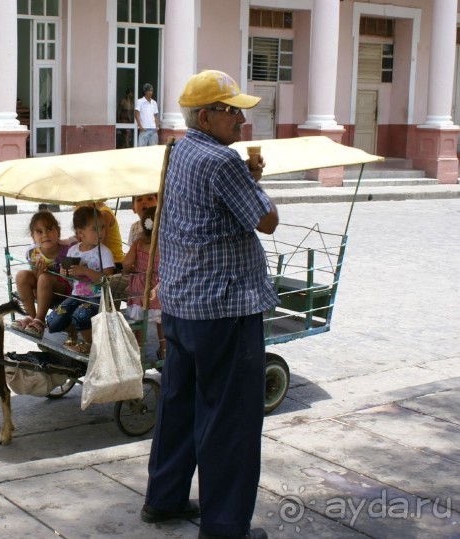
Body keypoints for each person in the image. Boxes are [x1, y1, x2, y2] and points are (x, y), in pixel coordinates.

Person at [141, 70, 278, 539]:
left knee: (179, 404)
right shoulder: (223, 162)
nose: (241, 119)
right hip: (225, 309)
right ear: (205, 116)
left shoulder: (180, 149)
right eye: (231, 110)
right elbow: (267, 220)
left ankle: (165, 498)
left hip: (182, 303)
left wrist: (246, 176)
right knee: (230, 419)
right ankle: (225, 527)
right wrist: (254, 181)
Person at [46, 206, 115, 355]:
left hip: (97, 298)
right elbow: (68, 277)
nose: (101, 232)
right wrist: (64, 273)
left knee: (81, 314)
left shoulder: (104, 252)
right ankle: (72, 335)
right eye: (95, 229)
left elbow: (108, 280)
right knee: (54, 319)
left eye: (102, 227)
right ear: (80, 233)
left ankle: (90, 344)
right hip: (77, 295)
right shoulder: (73, 250)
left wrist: (86, 271)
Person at [12, 211, 74, 339]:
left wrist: (48, 273)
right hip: (41, 285)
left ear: (58, 232)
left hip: (62, 286)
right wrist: (39, 271)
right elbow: (35, 277)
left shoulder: (68, 249)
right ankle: (30, 316)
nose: (45, 235)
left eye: (49, 229)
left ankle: (39, 320)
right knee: (21, 276)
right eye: (39, 232)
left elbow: (69, 277)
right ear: (33, 236)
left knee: (45, 278)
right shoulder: (33, 252)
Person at [121, 206, 164, 359]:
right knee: (161, 322)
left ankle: (138, 350)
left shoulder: (138, 244)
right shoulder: (165, 245)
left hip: (140, 287)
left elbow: (126, 263)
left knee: (139, 320)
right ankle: (163, 349)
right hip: (159, 285)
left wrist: (131, 269)